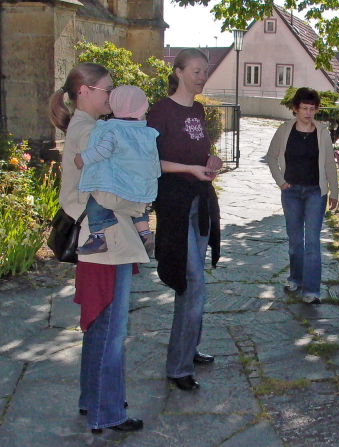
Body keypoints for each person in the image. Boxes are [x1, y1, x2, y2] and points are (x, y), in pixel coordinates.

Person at [48, 63, 146, 433]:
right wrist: (138, 202)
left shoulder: (84, 127)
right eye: (108, 89)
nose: (112, 96)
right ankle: (108, 412)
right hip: (106, 242)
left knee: (100, 326)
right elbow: (105, 193)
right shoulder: (91, 131)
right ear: (85, 91)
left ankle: (94, 400)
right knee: (110, 330)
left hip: (101, 240)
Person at [147, 48, 221, 392]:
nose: (202, 77)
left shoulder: (198, 110)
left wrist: (209, 161)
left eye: (205, 71)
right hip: (175, 206)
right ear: (178, 72)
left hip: (200, 202)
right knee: (192, 283)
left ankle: (188, 349)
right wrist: (189, 169)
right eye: (196, 71)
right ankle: (178, 366)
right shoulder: (161, 111)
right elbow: (151, 161)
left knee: (195, 282)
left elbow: (198, 153)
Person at [266, 87, 339, 304]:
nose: (308, 113)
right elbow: (271, 157)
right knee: (296, 240)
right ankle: (295, 278)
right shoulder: (284, 130)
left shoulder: (322, 133)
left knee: (313, 241)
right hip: (291, 193)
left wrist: (334, 191)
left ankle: (312, 290)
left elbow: (329, 163)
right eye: (304, 108)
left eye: (312, 109)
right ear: (296, 109)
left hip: (316, 192)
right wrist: (281, 182)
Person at [74, 85, 161, 255]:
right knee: (138, 209)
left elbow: (103, 150)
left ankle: (98, 238)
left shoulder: (113, 130)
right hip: (140, 191)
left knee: (96, 202)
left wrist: (82, 158)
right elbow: (154, 161)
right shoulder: (148, 134)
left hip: (115, 190)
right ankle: (145, 234)